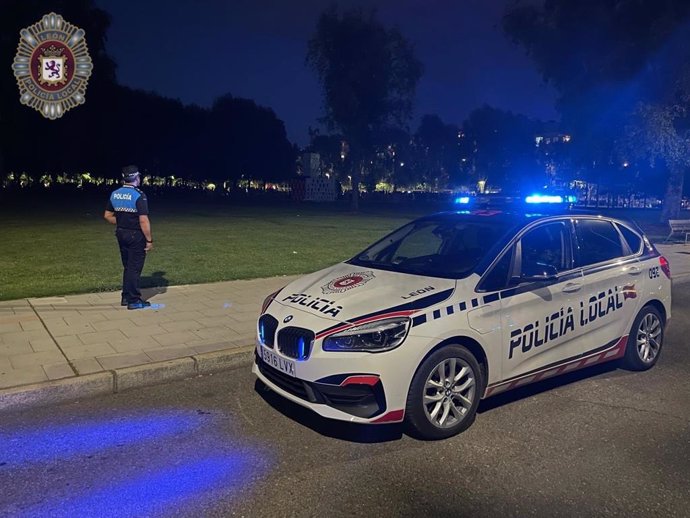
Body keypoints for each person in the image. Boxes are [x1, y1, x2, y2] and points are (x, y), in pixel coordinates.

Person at [103, 165, 154, 310]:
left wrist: (122, 222)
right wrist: (149, 240)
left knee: (127, 266)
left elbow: (107, 215)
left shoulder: (115, 193)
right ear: (137, 178)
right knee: (134, 268)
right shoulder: (139, 195)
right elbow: (143, 220)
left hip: (121, 233)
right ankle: (134, 300)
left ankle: (126, 296)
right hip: (135, 235)